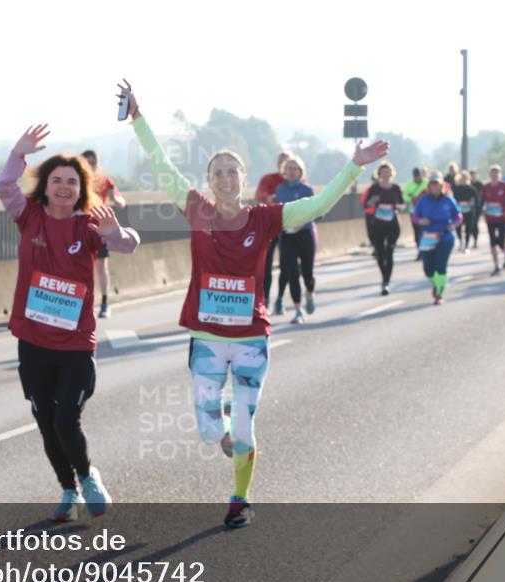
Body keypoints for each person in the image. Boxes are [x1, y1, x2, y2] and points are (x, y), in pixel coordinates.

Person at [120, 81, 388, 528]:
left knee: (245, 429)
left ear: (245, 180)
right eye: (218, 172)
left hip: (250, 340)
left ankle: (239, 500)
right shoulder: (197, 209)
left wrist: (354, 167)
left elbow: (318, 205)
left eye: (233, 172)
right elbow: (160, 163)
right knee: (210, 432)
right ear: (209, 182)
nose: (225, 178)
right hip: (206, 338)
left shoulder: (266, 218)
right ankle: (221, 425)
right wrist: (139, 119)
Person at [0, 125, 140, 521]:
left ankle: (87, 476)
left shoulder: (88, 224)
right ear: (46, 186)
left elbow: (129, 244)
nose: (63, 187)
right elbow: (4, 185)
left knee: (65, 419)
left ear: (82, 189)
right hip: (33, 340)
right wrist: (18, 152)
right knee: (45, 422)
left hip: (76, 344)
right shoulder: (28, 216)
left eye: (72, 182)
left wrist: (116, 232)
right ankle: (67, 490)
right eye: (57, 180)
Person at [82, 149, 126, 318]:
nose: (91, 164)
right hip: (81, 229)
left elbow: (118, 199)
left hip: (100, 230)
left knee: (101, 267)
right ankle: (85, 304)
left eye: (94, 161)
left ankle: (105, 303)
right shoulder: (77, 180)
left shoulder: (104, 182)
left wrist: (117, 201)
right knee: (83, 267)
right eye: (88, 162)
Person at [274, 156, 317, 322]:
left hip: (305, 234)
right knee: (292, 272)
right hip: (286, 236)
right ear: (284, 171)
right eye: (289, 168)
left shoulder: (307, 190)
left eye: (295, 168)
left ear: (301, 172)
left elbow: (317, 212)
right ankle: (298, 310)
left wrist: (303, 223)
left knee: (307, 274)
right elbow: (277, 212)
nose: (291, 171)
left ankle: (310, 293)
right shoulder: (280, 189)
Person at [413, 171, 461, 305]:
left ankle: (439, 294)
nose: (435, 186)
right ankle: (436, 283)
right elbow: (415, 217)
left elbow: (458, 216)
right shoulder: (423, 200)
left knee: (441, 266)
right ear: (429, 186)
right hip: (428, 237)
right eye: (432, 184)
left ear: (442, 186)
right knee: (428, 269)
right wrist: (421, 221)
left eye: (437, 184)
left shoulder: (448, 200)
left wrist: (454, 224)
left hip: (445, 237)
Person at [256, 151, 291, 313]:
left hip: (289, 229)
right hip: (269, 228)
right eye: (281, 162)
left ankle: (280, 300)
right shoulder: (269, 179)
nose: (284, 166)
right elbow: (259, 194)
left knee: (286, 266)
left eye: (288, 163)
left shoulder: (298, 181)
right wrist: (268, 198)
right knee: (266, 266)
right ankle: (266, 301)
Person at [362, 161, 405, 293]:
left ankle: (386, 282)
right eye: (383, 172)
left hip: (393, 224)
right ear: (379, 174)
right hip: (378, 224)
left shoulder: (396, 188)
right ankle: (384, 277)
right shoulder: (374, 188)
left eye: (388, 172)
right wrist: (372, 201)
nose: (385, 174)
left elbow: (403, 206)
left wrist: (396, 207)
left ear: (392, 173)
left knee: (389, 252)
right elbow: (366, 205)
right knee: (380, 254)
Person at [480, 164, 505, 275]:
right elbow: (481, 202)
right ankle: (496, 265)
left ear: (500, 174)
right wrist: (482, 211)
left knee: (501, 241)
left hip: (502, 218)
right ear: (490, 174)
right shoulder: (486, 187)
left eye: (497, 173)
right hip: (490, 218)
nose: (495, 175)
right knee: (492, 241)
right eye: (493, 173)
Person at [402, 167, 428, 261]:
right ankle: (419, 250)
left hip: (425, 212)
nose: (417, 177)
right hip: (414, 212)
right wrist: (411, 199)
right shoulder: (409, 184)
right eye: (415, 176)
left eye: (418, 175)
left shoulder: (426, 183)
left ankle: (424, 251)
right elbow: (404, 196)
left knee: (424, 232)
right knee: (416, 233)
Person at [453, 170, 479, 252]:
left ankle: (467, 245)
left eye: (465, 177)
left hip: (469, 212)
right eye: (462, 177)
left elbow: (476, 200)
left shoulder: (472, 189)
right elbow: (453, 200)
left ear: (468, 178)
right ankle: (461, 241)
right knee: (458, 228)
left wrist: (472, 204)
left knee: (468, 228)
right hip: (459, 212)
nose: (463, 179)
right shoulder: (456, 189)